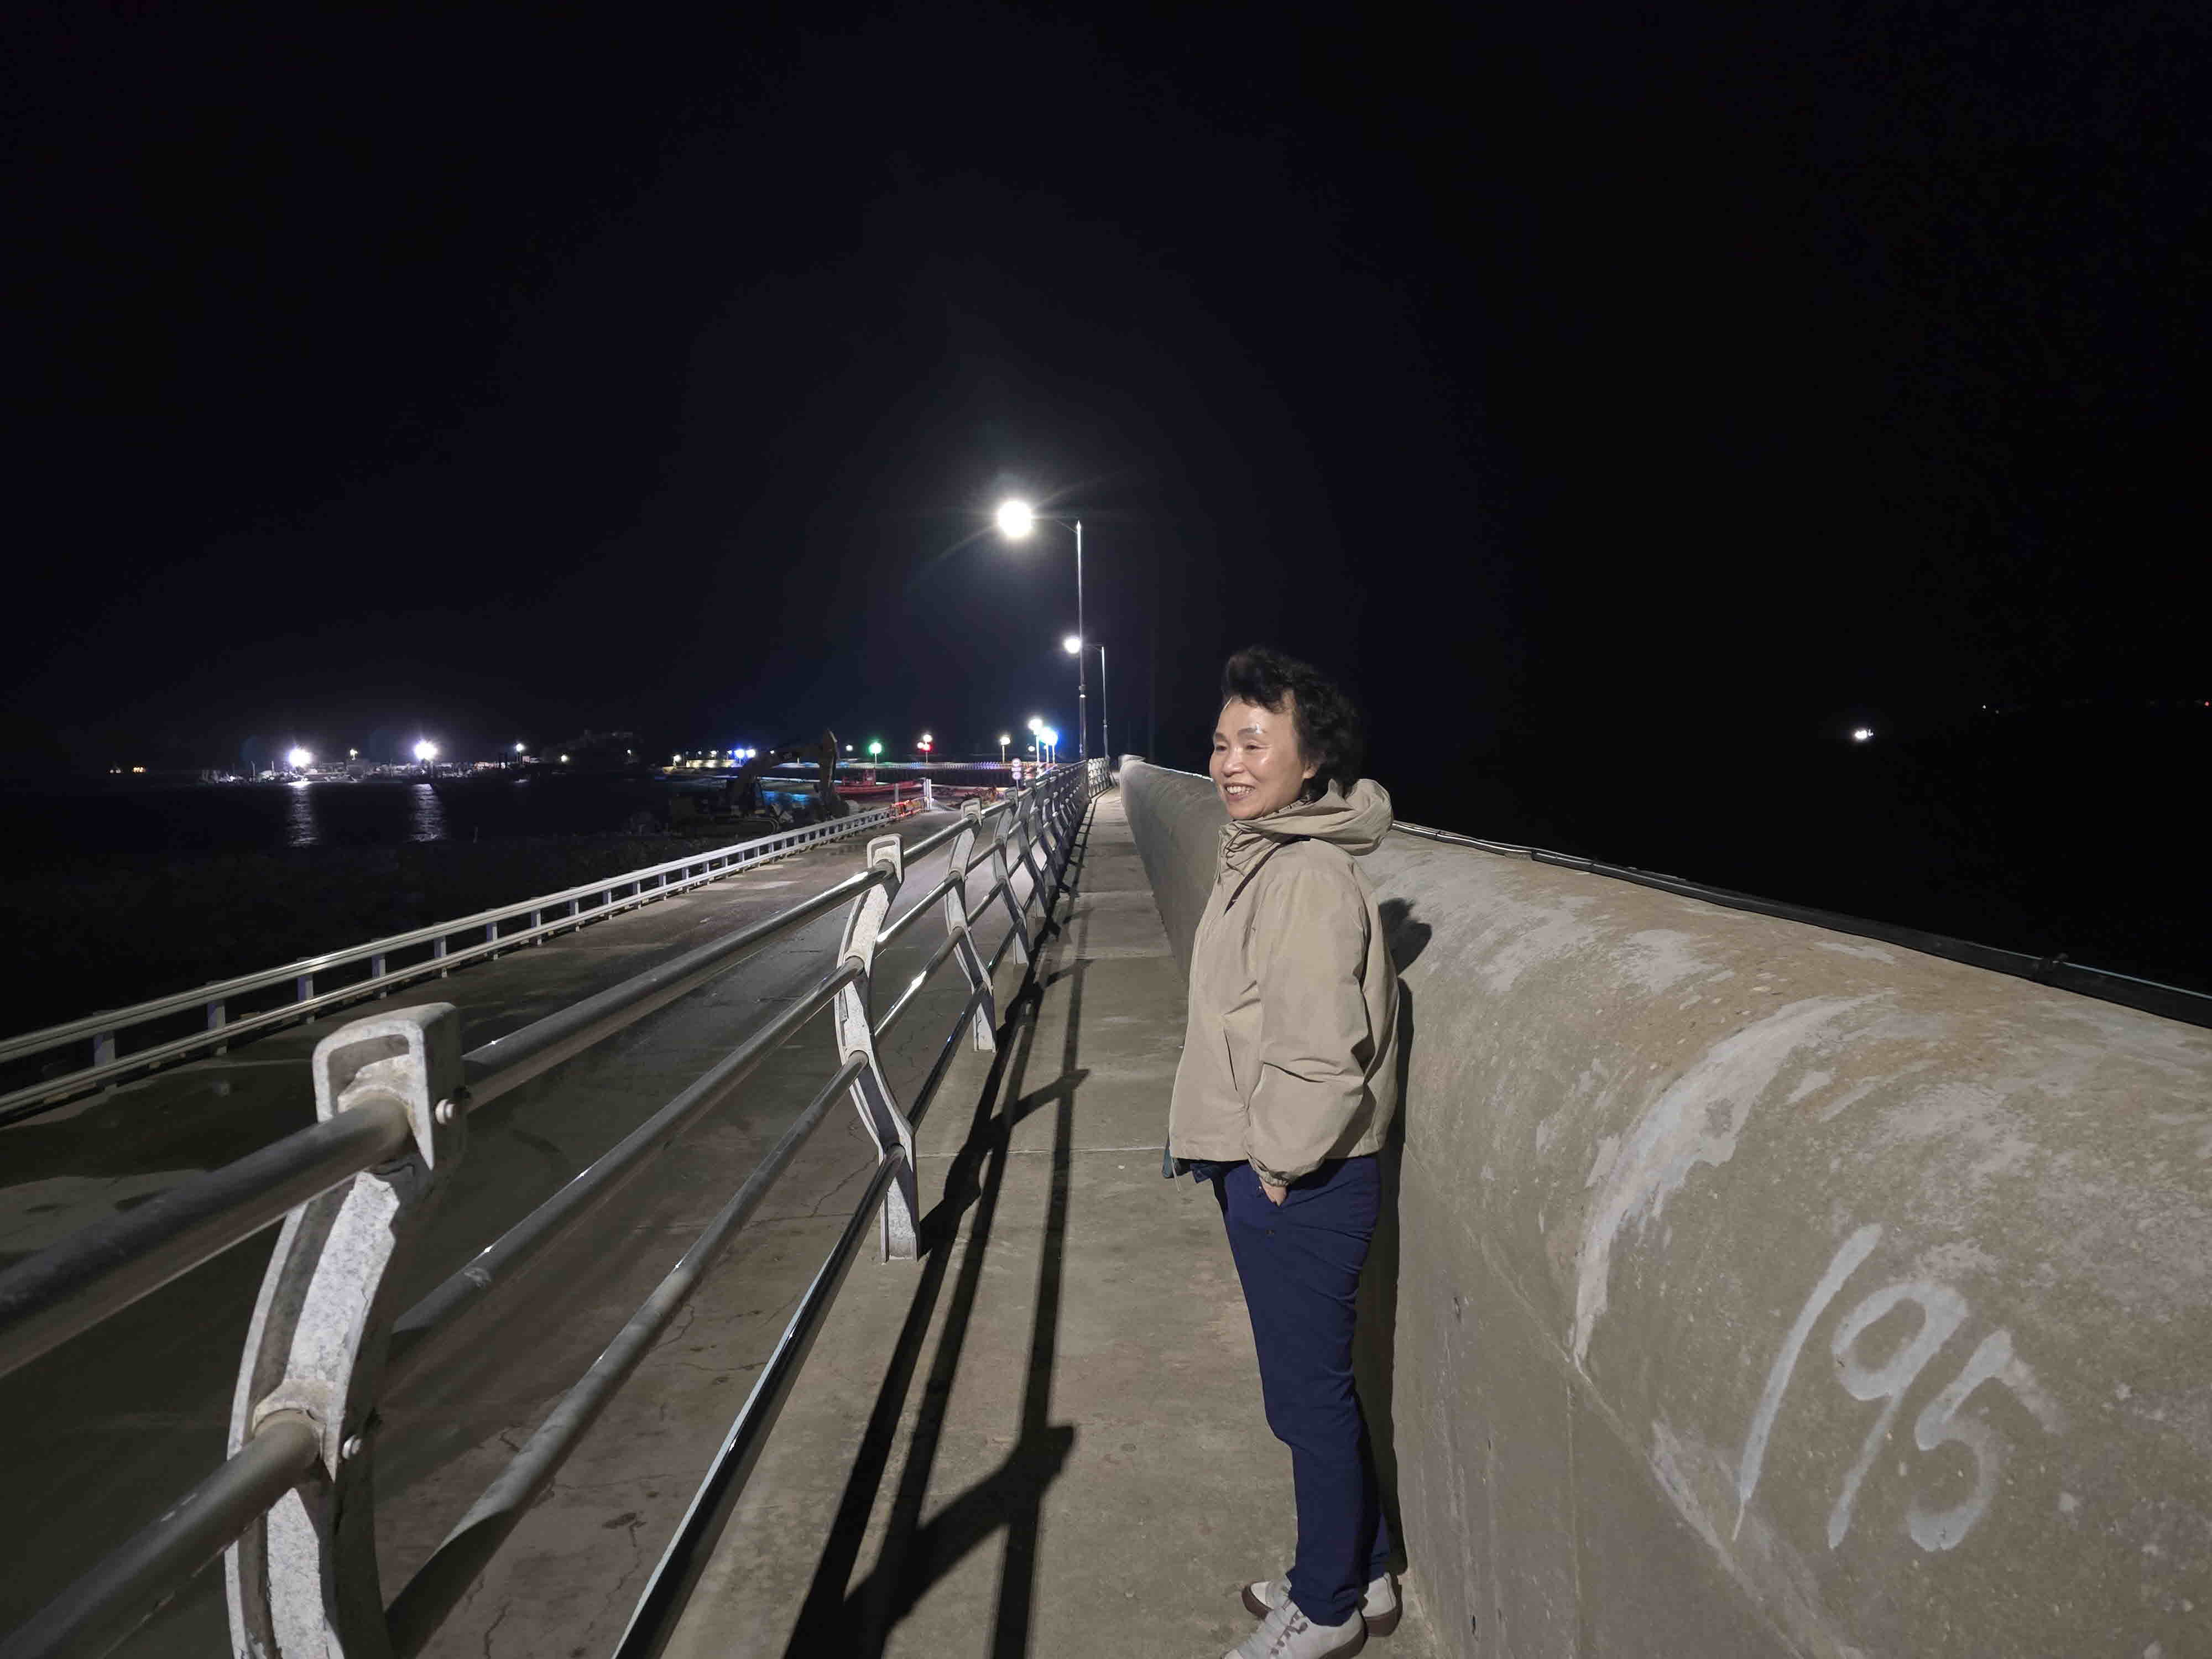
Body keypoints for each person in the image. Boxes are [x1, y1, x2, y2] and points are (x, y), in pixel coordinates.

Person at [1168, 646, 1402, 1659]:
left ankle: (1327, 1604)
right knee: (1314, 1391)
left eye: (1255, 744)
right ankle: (1368, 1570)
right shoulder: (1265, 853)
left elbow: (1319, 1053)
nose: (1229, 762)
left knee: (1306, 1400)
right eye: (1222, 742)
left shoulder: (1303, 875)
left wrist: (1275, 1166)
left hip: (1301, 1178)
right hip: (1281, 1167)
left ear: (1312, 763)